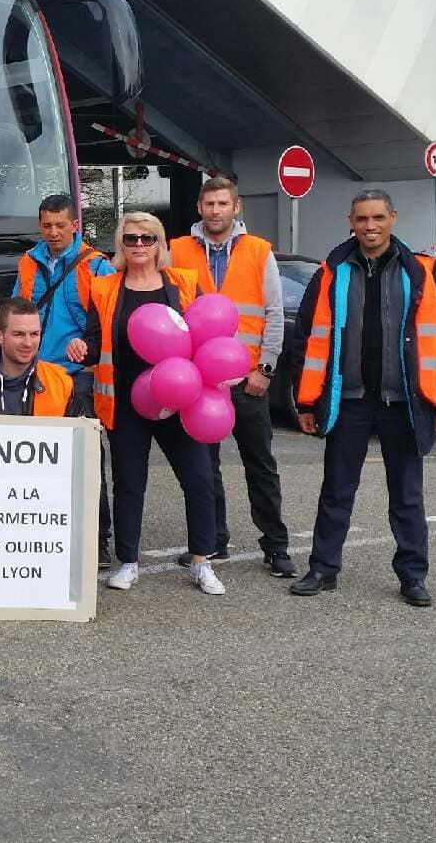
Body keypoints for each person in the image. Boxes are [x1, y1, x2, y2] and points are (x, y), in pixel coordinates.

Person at [283, 189, 436, 608]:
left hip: (404, 401)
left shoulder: (424, 273)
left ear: (393, 218)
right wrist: (306, 401)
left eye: (378, 218)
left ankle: (413, 577)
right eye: (362, 218)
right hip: (349, 400)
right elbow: (306, 339)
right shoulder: (331, 272)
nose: (370, 226)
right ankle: (323, 569)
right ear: (351, 220)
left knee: (406, 495)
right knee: (336, 491)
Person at [67, 211, 224, 596]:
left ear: (159, 244)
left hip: (179, 399)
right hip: (125, 402)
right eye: (131, 238)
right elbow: (93, 340)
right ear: (121, 244)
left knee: (200, 480)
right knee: (129, 485)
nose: (138, 245)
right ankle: (128, 561)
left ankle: (203, 562)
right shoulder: (104, 288)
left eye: (147, 238)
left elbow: (204, 333)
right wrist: (79, 347)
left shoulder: (183, 282)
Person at [168, 177, 295, 577]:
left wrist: (266, 368)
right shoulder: (176, 250)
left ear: (236, 207)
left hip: (248, 380)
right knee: (203, 470)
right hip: (199, 382)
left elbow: (274, 314)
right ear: (199, 207)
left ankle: (276, 547)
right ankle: (212, 543)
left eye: (223, 203)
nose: (216, 210)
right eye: (209, 203)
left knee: (260, 465)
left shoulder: (259, 251)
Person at [15, 193, 115, 560]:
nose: (54, 232)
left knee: (86, 460)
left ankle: (98, 540)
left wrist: (87, 348)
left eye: (61, 225)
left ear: (76, 225)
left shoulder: (98, 266)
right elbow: (17, 312)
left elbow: (109, 323)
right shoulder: (28, 262)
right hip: (34, 375)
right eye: (47, 226)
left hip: (79, 377)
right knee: (36, 461)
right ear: (40, 226)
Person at [0, 298, 88, 418]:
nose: (28, 343)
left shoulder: (62, 383)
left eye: (34, 334)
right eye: (19, 334)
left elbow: (81, 437)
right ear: (0, 336)